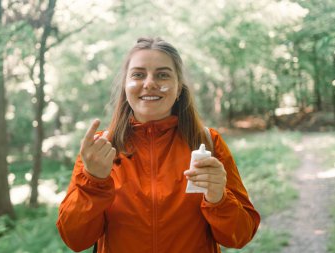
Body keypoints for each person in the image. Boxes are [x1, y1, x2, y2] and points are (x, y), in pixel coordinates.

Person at [56, 37, 260, 253]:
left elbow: (240, 235)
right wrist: (93, 182)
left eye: (162, 74)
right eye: (138, 74)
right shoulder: (99, 150)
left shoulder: (208, 142)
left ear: (179, 87)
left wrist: (218, 198)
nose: (150, 83)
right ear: (126, 85)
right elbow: (74, 239)